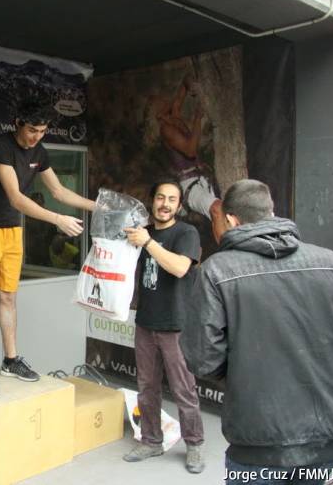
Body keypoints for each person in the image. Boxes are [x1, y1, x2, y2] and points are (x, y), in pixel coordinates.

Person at [181, 179, 333, 485]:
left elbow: (203, 359)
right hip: (326, 437)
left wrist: (244, 372)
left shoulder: (217, 271)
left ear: (231, 219)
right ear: (271, 211)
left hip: (257, 440)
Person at [0, 99, 95, 393]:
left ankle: (11, 360)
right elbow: (15, 197)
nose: (37, 136)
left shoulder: (39, 151)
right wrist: (57, 219)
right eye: (32, 130)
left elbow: (59, 191)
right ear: (18, 124)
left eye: (42, 131)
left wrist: (99, 207)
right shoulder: (0, 147)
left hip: (13, 229)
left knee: (9, 297)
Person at [123, 178, 205, 473]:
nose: (165, 204)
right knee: (147, 387)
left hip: (176, 325)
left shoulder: (186, 233)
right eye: (160, 197)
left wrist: (148, 242)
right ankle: (151, 441)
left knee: (184, 389)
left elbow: (181, 268)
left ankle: (194, 445)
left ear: (179, 205)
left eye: (172, 199)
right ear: (152, 200)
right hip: (146, 322)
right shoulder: (141, 233)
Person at [150, 75, 226, 243]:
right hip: (189, 183)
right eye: (163, 104)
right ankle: (228, 253)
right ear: (159, 114)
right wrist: (198, 118)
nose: (169, 104)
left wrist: (190, 85)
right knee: (217, 208)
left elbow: (181, 90)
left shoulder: (174, 116)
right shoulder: (166, 129)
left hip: (201, 179)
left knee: (224, 215)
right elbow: (190, 151)